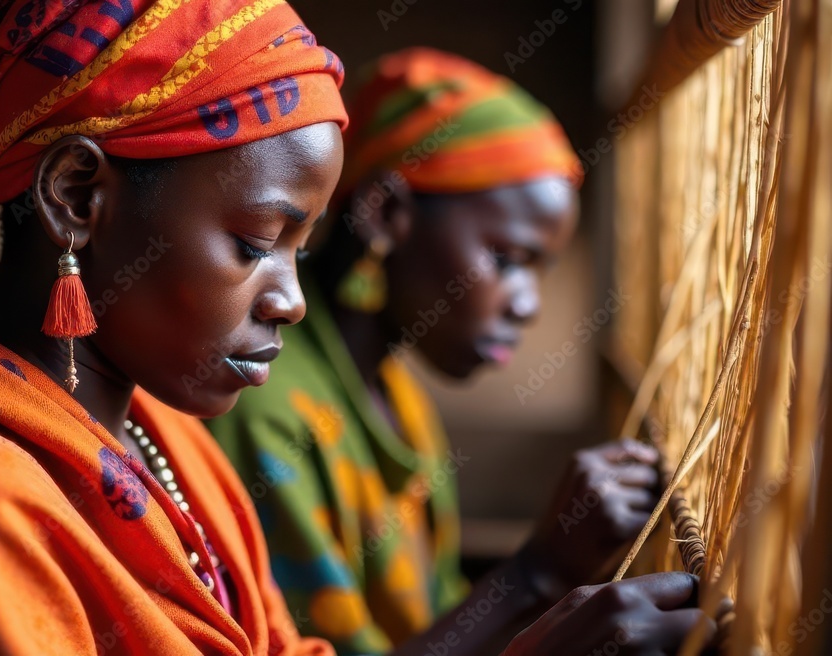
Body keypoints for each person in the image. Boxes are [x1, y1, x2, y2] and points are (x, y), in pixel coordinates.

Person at [0, 6, 710, 653]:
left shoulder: (161, 432)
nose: (289, 298)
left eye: (299, 248)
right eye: (255, 244)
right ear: (75, 199)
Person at [207, 48, 712, 655]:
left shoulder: (402, 401)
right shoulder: (268, 412)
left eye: (539, 272)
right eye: (507, 260)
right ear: (387, 213)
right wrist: (536, 574)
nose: (527, 305)